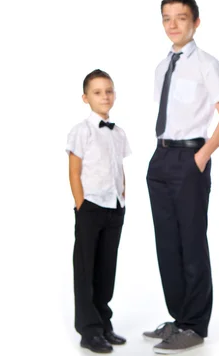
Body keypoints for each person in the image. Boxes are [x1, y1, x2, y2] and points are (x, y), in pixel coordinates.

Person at [144, 0, 219, 354]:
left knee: (192, 242)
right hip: (160, 158)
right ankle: (178, 317)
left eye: (180, 18)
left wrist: (201, 157)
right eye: (166, 18)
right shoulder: (161, 66)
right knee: (167, 244)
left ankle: (195, 325)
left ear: (195, 22)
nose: (172, 25)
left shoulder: (207, 65)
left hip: (189, 159)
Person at [66, 69, 131, 354]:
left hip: (114, 207)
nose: (105, 96)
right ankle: (89, 331)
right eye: (97, 92)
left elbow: (119, 168)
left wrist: (123, 199)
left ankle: (104, 324)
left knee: (106, 269)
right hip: (91, 207)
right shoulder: (81, 131)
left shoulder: (118, 132)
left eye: (109, 91)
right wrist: (82, 206)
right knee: (86, 269)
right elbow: (74, 170)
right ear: (85, 97)